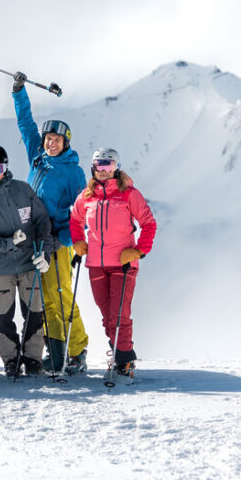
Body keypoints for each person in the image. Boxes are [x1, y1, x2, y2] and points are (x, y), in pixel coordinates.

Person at [9, 73, 88, 373]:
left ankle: (77, 350)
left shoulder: (73, 173)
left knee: (60, 295)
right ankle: (56, 350)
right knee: (43, 298)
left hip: (57, 241)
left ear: (66, 142)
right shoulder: (38, 158)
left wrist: (62, 239)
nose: (51, 143)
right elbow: (25, 123)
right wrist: (18, 91)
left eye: (57, 140)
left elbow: (80, 214)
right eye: (48, 139)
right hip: (34, 239)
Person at [69, 148, 157, 378]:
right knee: (107, 315)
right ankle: (121, 353)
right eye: (100, 166)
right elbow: (75, 219)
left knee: (119, 314)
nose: (104, 171)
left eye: (109, 166)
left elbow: (148, 222)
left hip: (123, 264)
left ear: (117, 168)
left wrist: (138, 250)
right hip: (96, 264)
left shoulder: (129, 193)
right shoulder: (87, 196)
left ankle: (125, 362)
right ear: (93, 168)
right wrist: (78, 241)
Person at [0, 144, 54, 377]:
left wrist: (44, 254)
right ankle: (11, 360)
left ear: (6, 166)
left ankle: (33, 359)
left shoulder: (22, 189)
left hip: (29, 263)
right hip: (1, 269)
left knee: (34, 314)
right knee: (2, 317)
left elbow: (42, 223)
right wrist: (9, 242)